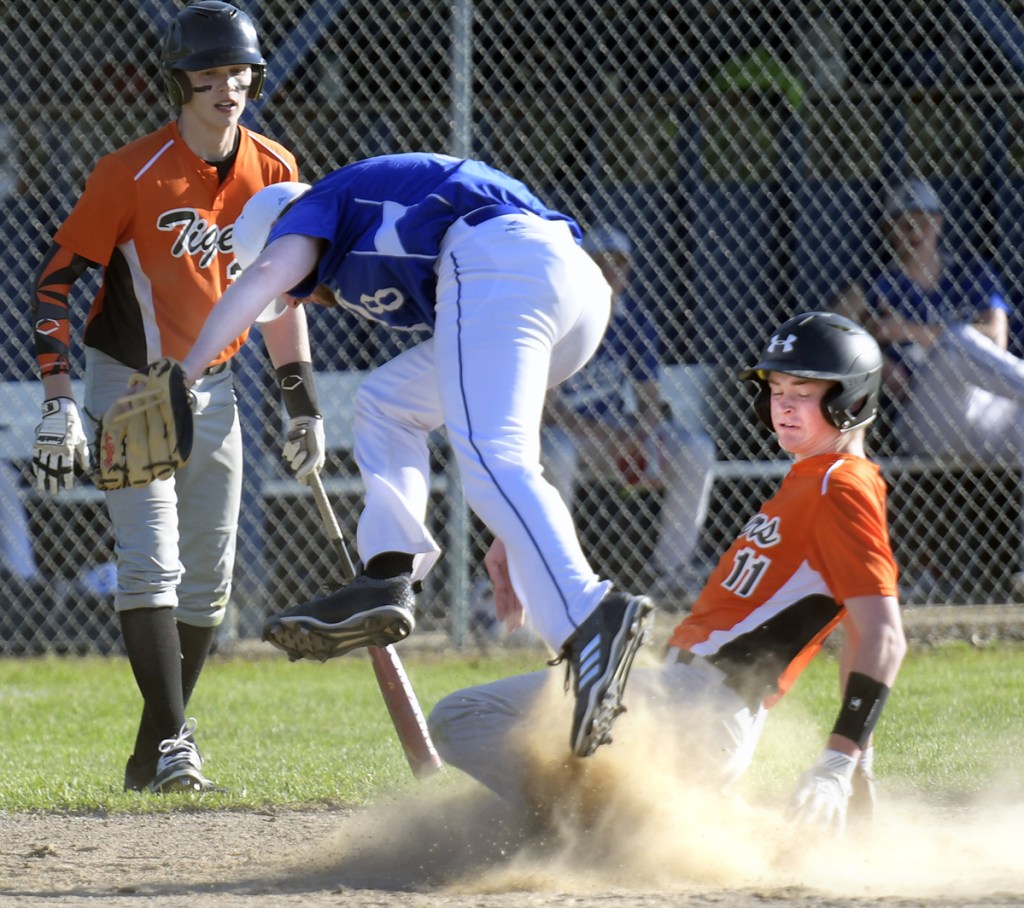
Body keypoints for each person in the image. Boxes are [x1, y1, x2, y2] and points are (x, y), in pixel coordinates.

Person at [169, 152, 654, 760]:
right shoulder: (361, 218)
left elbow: (268, 269)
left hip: (500, 257)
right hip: (564, 282)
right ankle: (390, 573)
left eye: (300, 292)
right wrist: (514, 529)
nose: (307, 301)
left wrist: (184, 376)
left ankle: (592, 618)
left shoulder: (309, 210)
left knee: (490, 460)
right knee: (389, 402)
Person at [429, 311, 907, 832]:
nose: (783, 406)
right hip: (689, 704)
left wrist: (839, 760)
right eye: (776, 389)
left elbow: (884, 636)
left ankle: (586, 832)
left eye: (804, 391)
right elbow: (859, 628)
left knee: (463, 718)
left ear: (852, 400)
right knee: (533, 754)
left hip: (698, 707)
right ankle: (633, 827)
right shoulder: (818, 479)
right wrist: (861, 755)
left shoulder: (840, 486)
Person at [30, 1, 321, 794]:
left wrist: (302, 404)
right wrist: (58, 400)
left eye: (239, 71)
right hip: (131, 386)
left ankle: (151, 752)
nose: (227, 86)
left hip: (217, 388)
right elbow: (54, 284)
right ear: (178, 79)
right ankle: (176, 747)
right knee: (149, 564)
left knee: (207, 583)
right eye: (208, 72)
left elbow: (281, 298)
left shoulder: (276, 169)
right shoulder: (129, 170)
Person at [832, 177, 1024, 590]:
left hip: (989, 412)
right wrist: (876, 357)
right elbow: (829, 333)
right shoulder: (876, 284)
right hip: (926, 415)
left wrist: (903, 330)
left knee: (963, 344)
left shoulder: (971, 273)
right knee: (956, 340)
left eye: (922, 220)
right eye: (902, 223)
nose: (914, 231)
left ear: (939, 223)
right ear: (887, 231)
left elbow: (996, 339)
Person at [541, 226, 715, 600]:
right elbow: (546, 410)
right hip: (570, 436)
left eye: (619, 265)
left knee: (696, 449)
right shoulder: (560, 314)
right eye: (602, 264)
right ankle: (559, 572)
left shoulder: (632, 317)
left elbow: (650, 397)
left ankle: (671, 571)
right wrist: (609, 437)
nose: (612, 274)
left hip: (619, 436)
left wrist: (642, 433)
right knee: (559, 452)